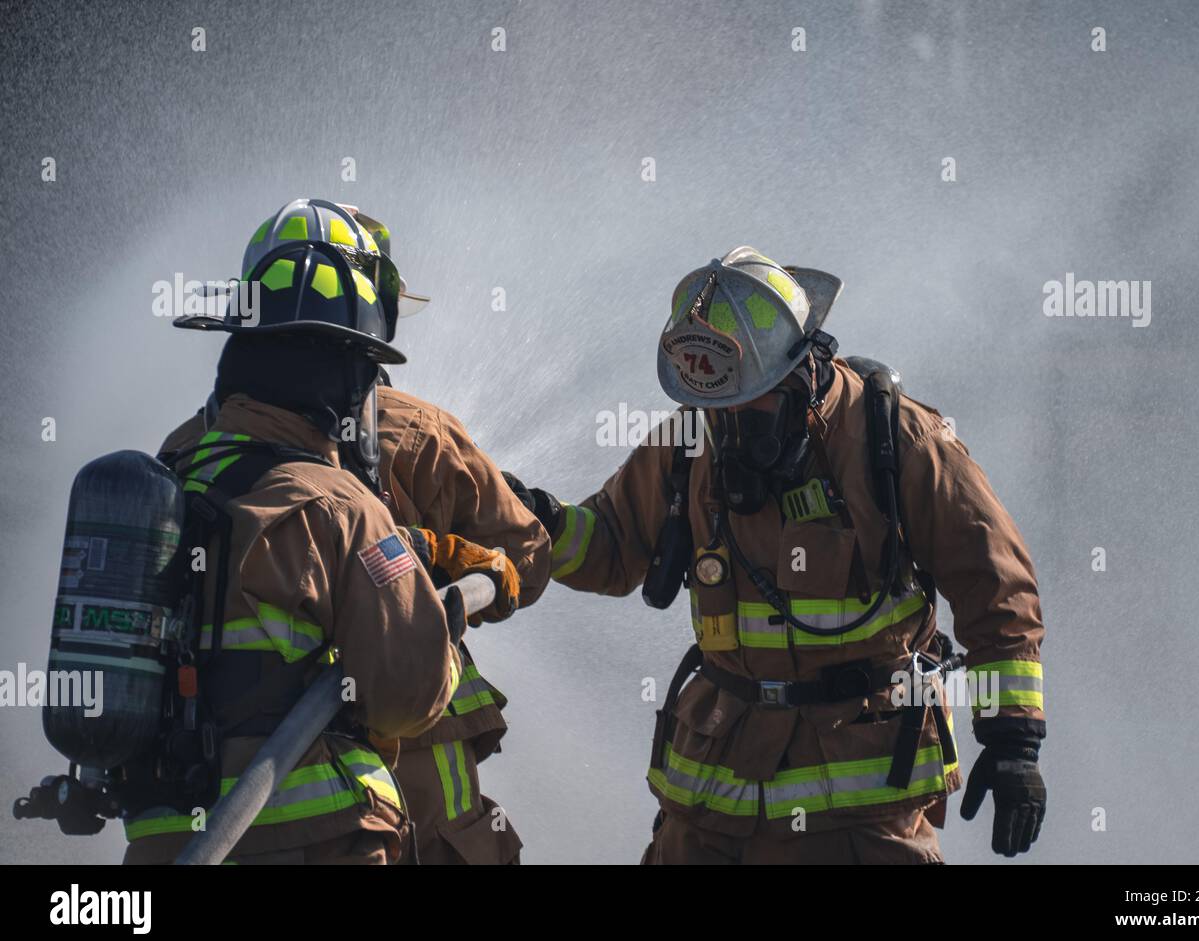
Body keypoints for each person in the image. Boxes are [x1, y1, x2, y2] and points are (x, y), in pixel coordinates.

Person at [509, 247, 1046, 864]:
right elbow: (609, 546)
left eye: (749, 406)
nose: (729, 428)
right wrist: (538, 520)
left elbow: (996, 586)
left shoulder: (894, 439)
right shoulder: (692, 440)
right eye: (716, 410)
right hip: (714, 802)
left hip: (862, 809)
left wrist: (1012, 741)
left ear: (803, 372)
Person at [161, 199, 548, 863]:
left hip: (172, 831)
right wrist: (436, 608)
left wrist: (418, 552)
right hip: (325, 830)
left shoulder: (173, 466)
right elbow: (404, 691)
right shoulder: (356, 489)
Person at [127, 226, 463, 864]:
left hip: (160, 843)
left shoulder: (164, 481)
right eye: (362, 372)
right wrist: (442, 629)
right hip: (314, 839)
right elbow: (403, 698)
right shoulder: (340, 505)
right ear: (335, 375)